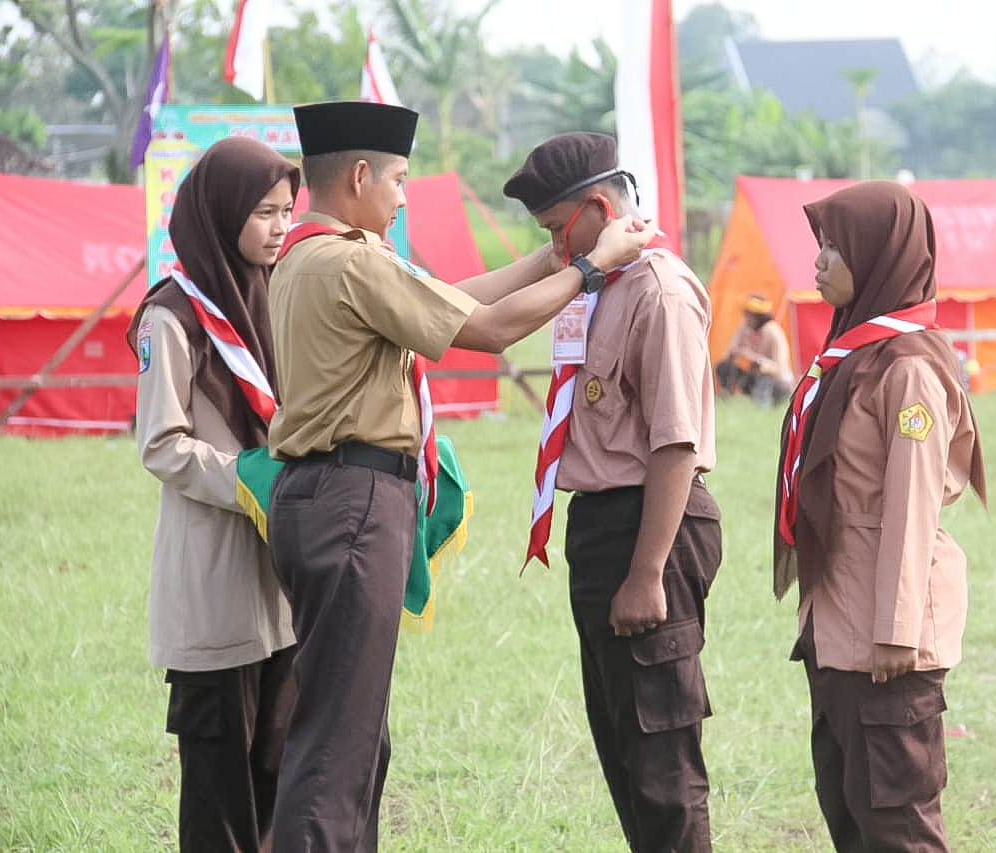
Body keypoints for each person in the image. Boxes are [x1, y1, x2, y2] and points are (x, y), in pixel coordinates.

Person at [265, 102, 654, 851]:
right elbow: (489, 329)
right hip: (352, 499)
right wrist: (587, 266)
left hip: (318, 496)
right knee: (337, 743)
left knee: (350, 732)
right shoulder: (354, 260)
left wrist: (551, 261)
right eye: (400, 180)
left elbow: (454, 298)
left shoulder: (311, 255)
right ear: (358, 175)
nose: (405, 195)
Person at [504, 131, 722, 853]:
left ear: (599, 206)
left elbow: (675, 445)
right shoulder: (600, 283)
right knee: (623, 747)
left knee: (661, 758)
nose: (556, 252)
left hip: (647, 526)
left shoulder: (658, 290)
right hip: (600, 525)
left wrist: (648, 572)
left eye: (557, 232)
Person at [771, 181, 987, 852]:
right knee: (847, 806)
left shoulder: (910, 369)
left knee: (898, 823)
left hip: (884, 636)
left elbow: (913, 507)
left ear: (879, 257)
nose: (819, 262)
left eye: (835, 247)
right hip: (839, 620)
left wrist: (896, 630)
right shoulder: (851, 354)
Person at [127, 136, 300, 851]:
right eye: (264, 212)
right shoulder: (171, 315)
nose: (281, 226)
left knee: (278, 774)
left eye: (288, 210)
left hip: (282, 578)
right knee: (216, 790)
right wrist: (252, 479)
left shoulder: (276, 294)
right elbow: (160, 443)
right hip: (215, 574)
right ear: (222, 212)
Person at [715, 293, 794, 406]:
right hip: (754, 377)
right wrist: (738, 351)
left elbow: (781, 370)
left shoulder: (773, 332)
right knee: (724, 366)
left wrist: (756, 359)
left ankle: (764, 405)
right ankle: (726, 399)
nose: (745, 317)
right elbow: (729, 353)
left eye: (748, 314)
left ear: (757, 315)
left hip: (777, 383)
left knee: (765, 378)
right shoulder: (746, 327)